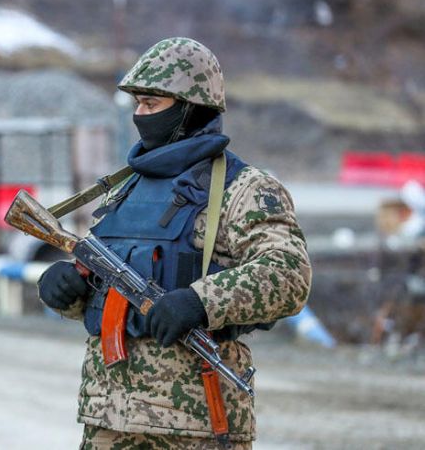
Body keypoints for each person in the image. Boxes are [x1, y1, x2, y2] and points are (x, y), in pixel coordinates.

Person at [37, 38, 312, 449]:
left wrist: (200, 301)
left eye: (151, 104)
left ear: (190, 108)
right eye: (137, 105)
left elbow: (288, 275)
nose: (139, 116)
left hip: (195, 420)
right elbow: (113, 288)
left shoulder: (244, 188)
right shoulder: (127, 188)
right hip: (108, 416)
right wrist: (69, 290)